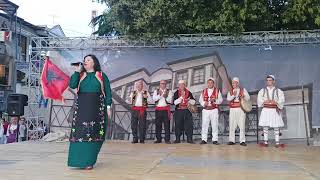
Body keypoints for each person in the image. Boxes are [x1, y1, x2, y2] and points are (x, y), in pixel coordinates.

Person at [68, 54, 112, 170]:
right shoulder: (80, 75)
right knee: (80, 134)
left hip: (97, 110)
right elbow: (72, 85)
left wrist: (108, 107)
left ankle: (89, 161)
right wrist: (77, 72)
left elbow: (107, 91)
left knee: (94, 134)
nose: (85, 61)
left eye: (88, 60)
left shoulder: (101, 75)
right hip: (82, 110)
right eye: (84, 60)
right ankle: (77, 161)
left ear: (94, 63)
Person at [257, 75, 285, 148]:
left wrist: (276, 102)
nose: (269, 82)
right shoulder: (262, 90)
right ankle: (265, 142)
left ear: (273, 81)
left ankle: (277, 143)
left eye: (270, 80)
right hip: (266, 109)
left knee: (276, 126)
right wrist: (265, 101)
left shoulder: (278, 91)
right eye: (267, 80)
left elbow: (282, 99)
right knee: (265, 126)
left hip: (274, 110)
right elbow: (259, 99)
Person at [227, 77, 250, 146]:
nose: (233, 84)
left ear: (238, 83)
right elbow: (228, 99)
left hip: (241, 109)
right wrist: (233, 95)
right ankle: (231, 140)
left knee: (242, 125)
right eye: (232, 83)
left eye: (235, 82)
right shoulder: (230, 91)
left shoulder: (243, 90)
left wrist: (244, 96)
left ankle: (242, 141)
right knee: (232, 124)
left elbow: (248, 98)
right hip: (233, 109)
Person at [199, 77, 223, 145]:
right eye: (208, 83)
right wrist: (204, 103)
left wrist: (215, 101)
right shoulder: (204, 91)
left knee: (214, 125)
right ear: (207, 84)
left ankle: (215, 140)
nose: (210, 84)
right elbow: (200, 100)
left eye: (211, 83)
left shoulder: (217, 91)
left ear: (213, 83)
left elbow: (220, 100)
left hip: (214, 110)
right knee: (204, 125)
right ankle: (204, 139)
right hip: (206, 110)